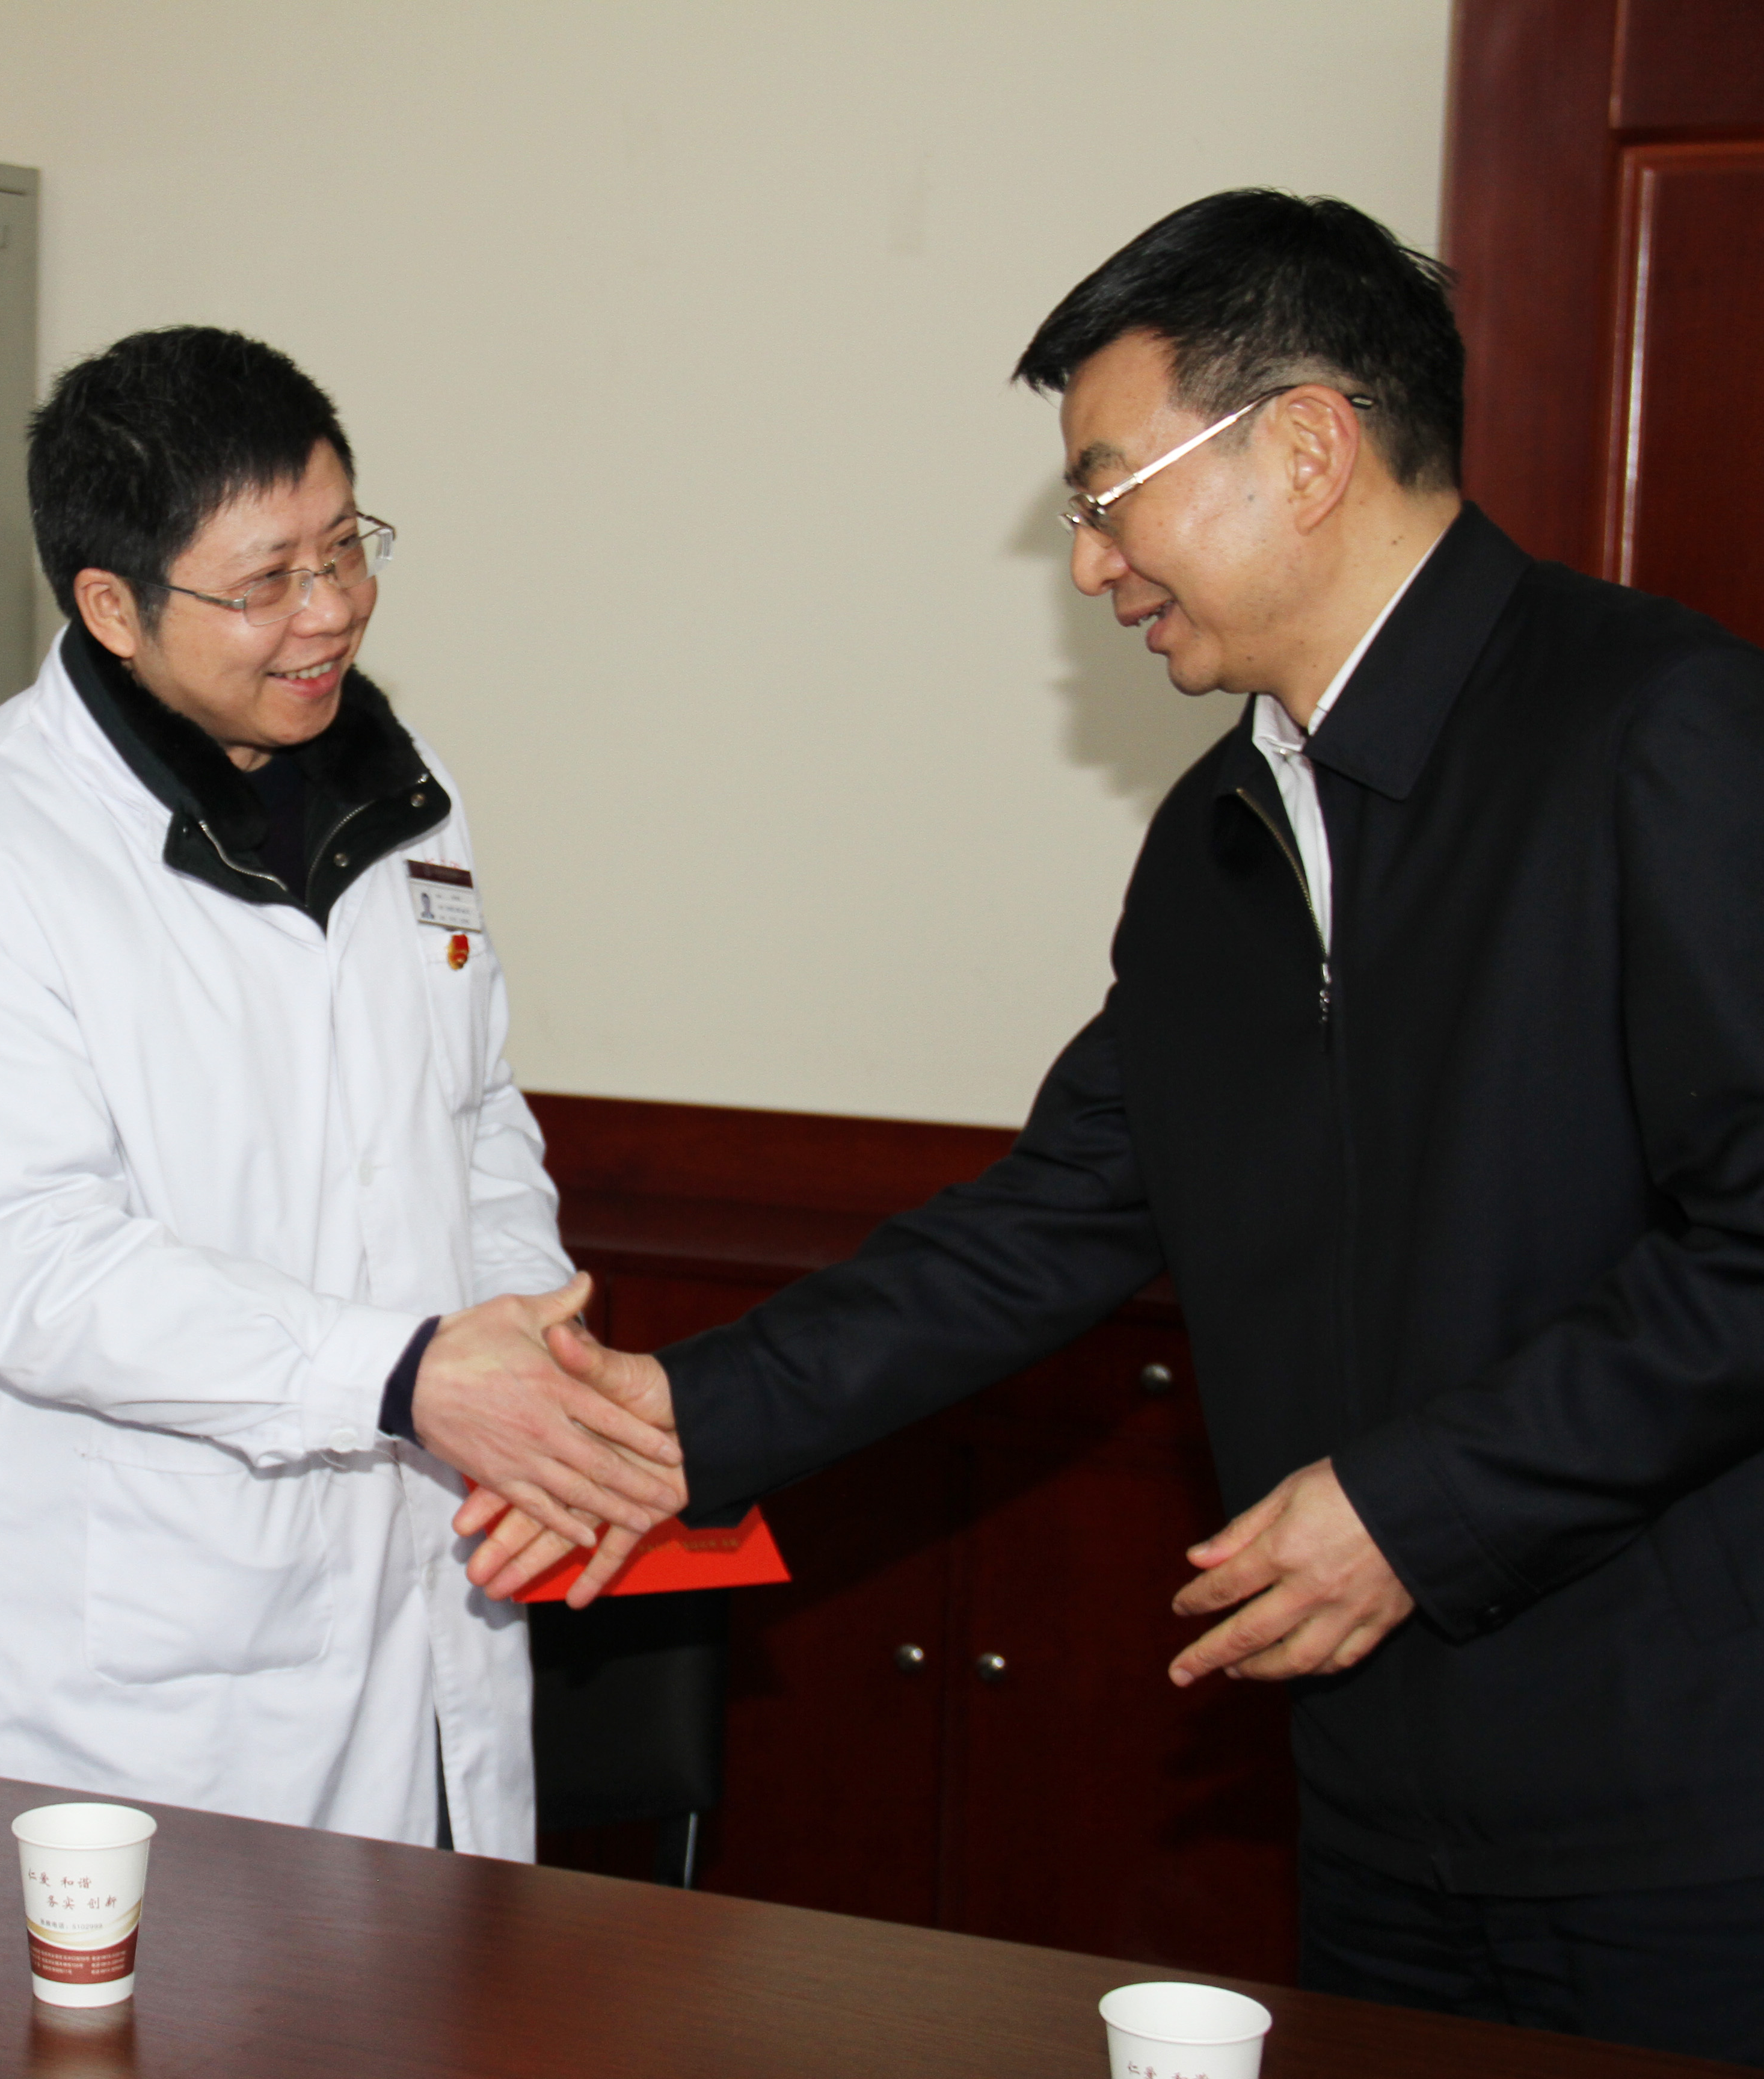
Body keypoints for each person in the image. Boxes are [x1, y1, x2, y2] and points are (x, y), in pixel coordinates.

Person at [467, 191, 1764, 2061]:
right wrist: (687, 1418)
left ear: (1305, 449)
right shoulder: (1221, 838)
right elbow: (1057, 1215)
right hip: (1378, 1797)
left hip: (1686, 1809)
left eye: (1107, 493)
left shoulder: (1660, 728)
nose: (1091, 566)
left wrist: (1421, 1506)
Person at [0, 327, 681, 1855]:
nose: (332, 609)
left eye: (344, 547)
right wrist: (403, 1373)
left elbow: (471, 1114)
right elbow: (27, 1265)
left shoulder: (402, 788)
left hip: (414, 1585)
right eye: (266, 582)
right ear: (113, 605)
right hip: (128, 1670)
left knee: (412, 1972)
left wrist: (524, 1345)